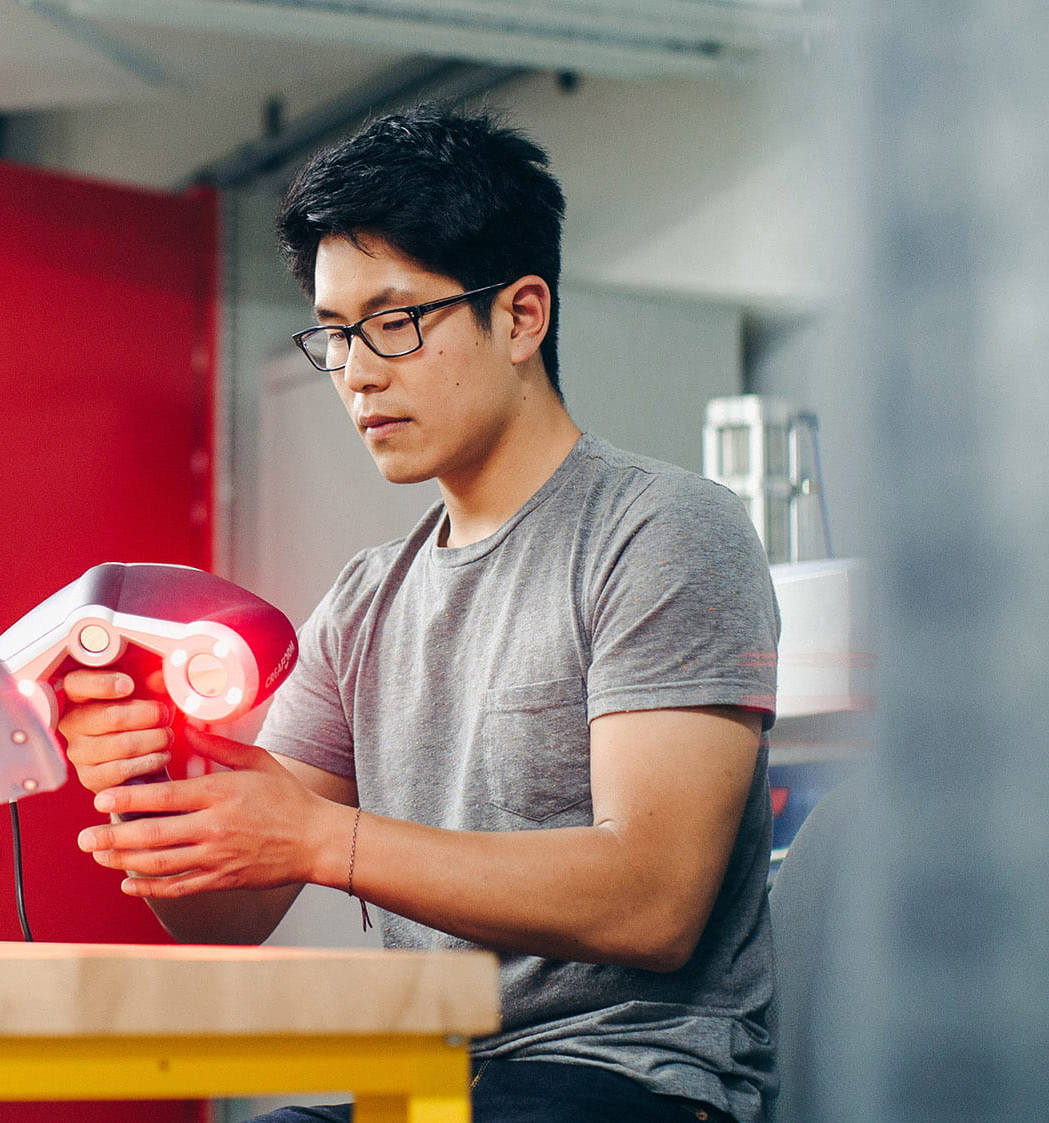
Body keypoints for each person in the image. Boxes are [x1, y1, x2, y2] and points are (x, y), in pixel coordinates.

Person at [60, 105, 779, 1123]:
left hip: (626, 1078)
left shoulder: (661, 531)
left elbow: (651, 899)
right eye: (334, 334)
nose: (354, 370)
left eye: (392, 322)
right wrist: (148, 774)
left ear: (521, 316)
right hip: (432, 1081)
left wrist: (316, 838)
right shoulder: (364, 599)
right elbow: (227, 910)